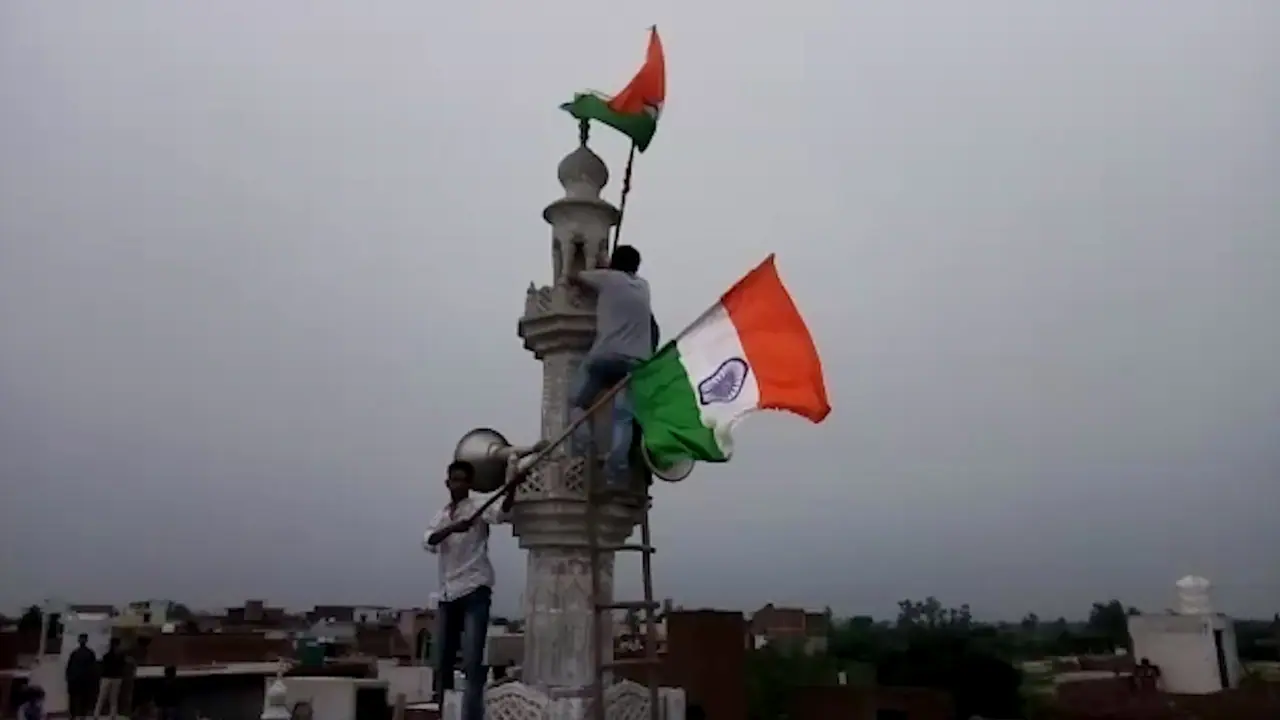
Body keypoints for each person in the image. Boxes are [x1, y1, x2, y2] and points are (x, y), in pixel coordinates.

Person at [423, 460, 516, 720]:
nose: (459, 485)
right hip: (447, 594)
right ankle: (444, 711)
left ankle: (471, 716)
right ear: (447, 483)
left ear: (470, 484)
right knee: (442, 661)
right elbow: (429, 539)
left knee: (472, 662)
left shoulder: (478, 508)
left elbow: (502, 512)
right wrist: (455, 526)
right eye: (455, 480)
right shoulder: (440, 516)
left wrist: (513, 489)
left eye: (464, 480)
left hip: (474, 590)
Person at [564, 244, 655, 486]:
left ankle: (584, 445)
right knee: (623, 416)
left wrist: (601, 267)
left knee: (576, 403)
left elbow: (573, 277)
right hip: (637, 362)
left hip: (606, 356)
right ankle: (616, 470)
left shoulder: (607, 279)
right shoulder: (643, 286)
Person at [65, 633, 98, 720]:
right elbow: (93, 669)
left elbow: (69, 667)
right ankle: (80, 715)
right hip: (83, 681)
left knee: (76, 699)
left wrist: (69, 678)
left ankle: (74, 715)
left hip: (77, 680)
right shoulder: (89, 653)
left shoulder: (75, 653)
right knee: (83, 699)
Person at [94, 637, 125, 720]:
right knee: (113, 697)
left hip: (106, 677)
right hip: (116, 677)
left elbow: (103, 665)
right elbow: (122, 666)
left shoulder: (107, 655)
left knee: (102, 696)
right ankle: (112, 715)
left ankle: (97, 714)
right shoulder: (121, 655)